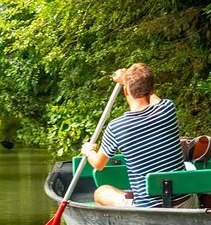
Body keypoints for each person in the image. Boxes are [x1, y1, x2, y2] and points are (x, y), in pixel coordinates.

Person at [81, 63, 195, 208]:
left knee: (101, 192)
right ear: (153, 89)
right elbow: (152, 97)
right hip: (185, 204)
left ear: (125, 92)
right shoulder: (167, 109)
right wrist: (127, 79)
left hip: (147, 208)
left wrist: (88, 150)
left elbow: (98, 164)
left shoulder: (116, 127)